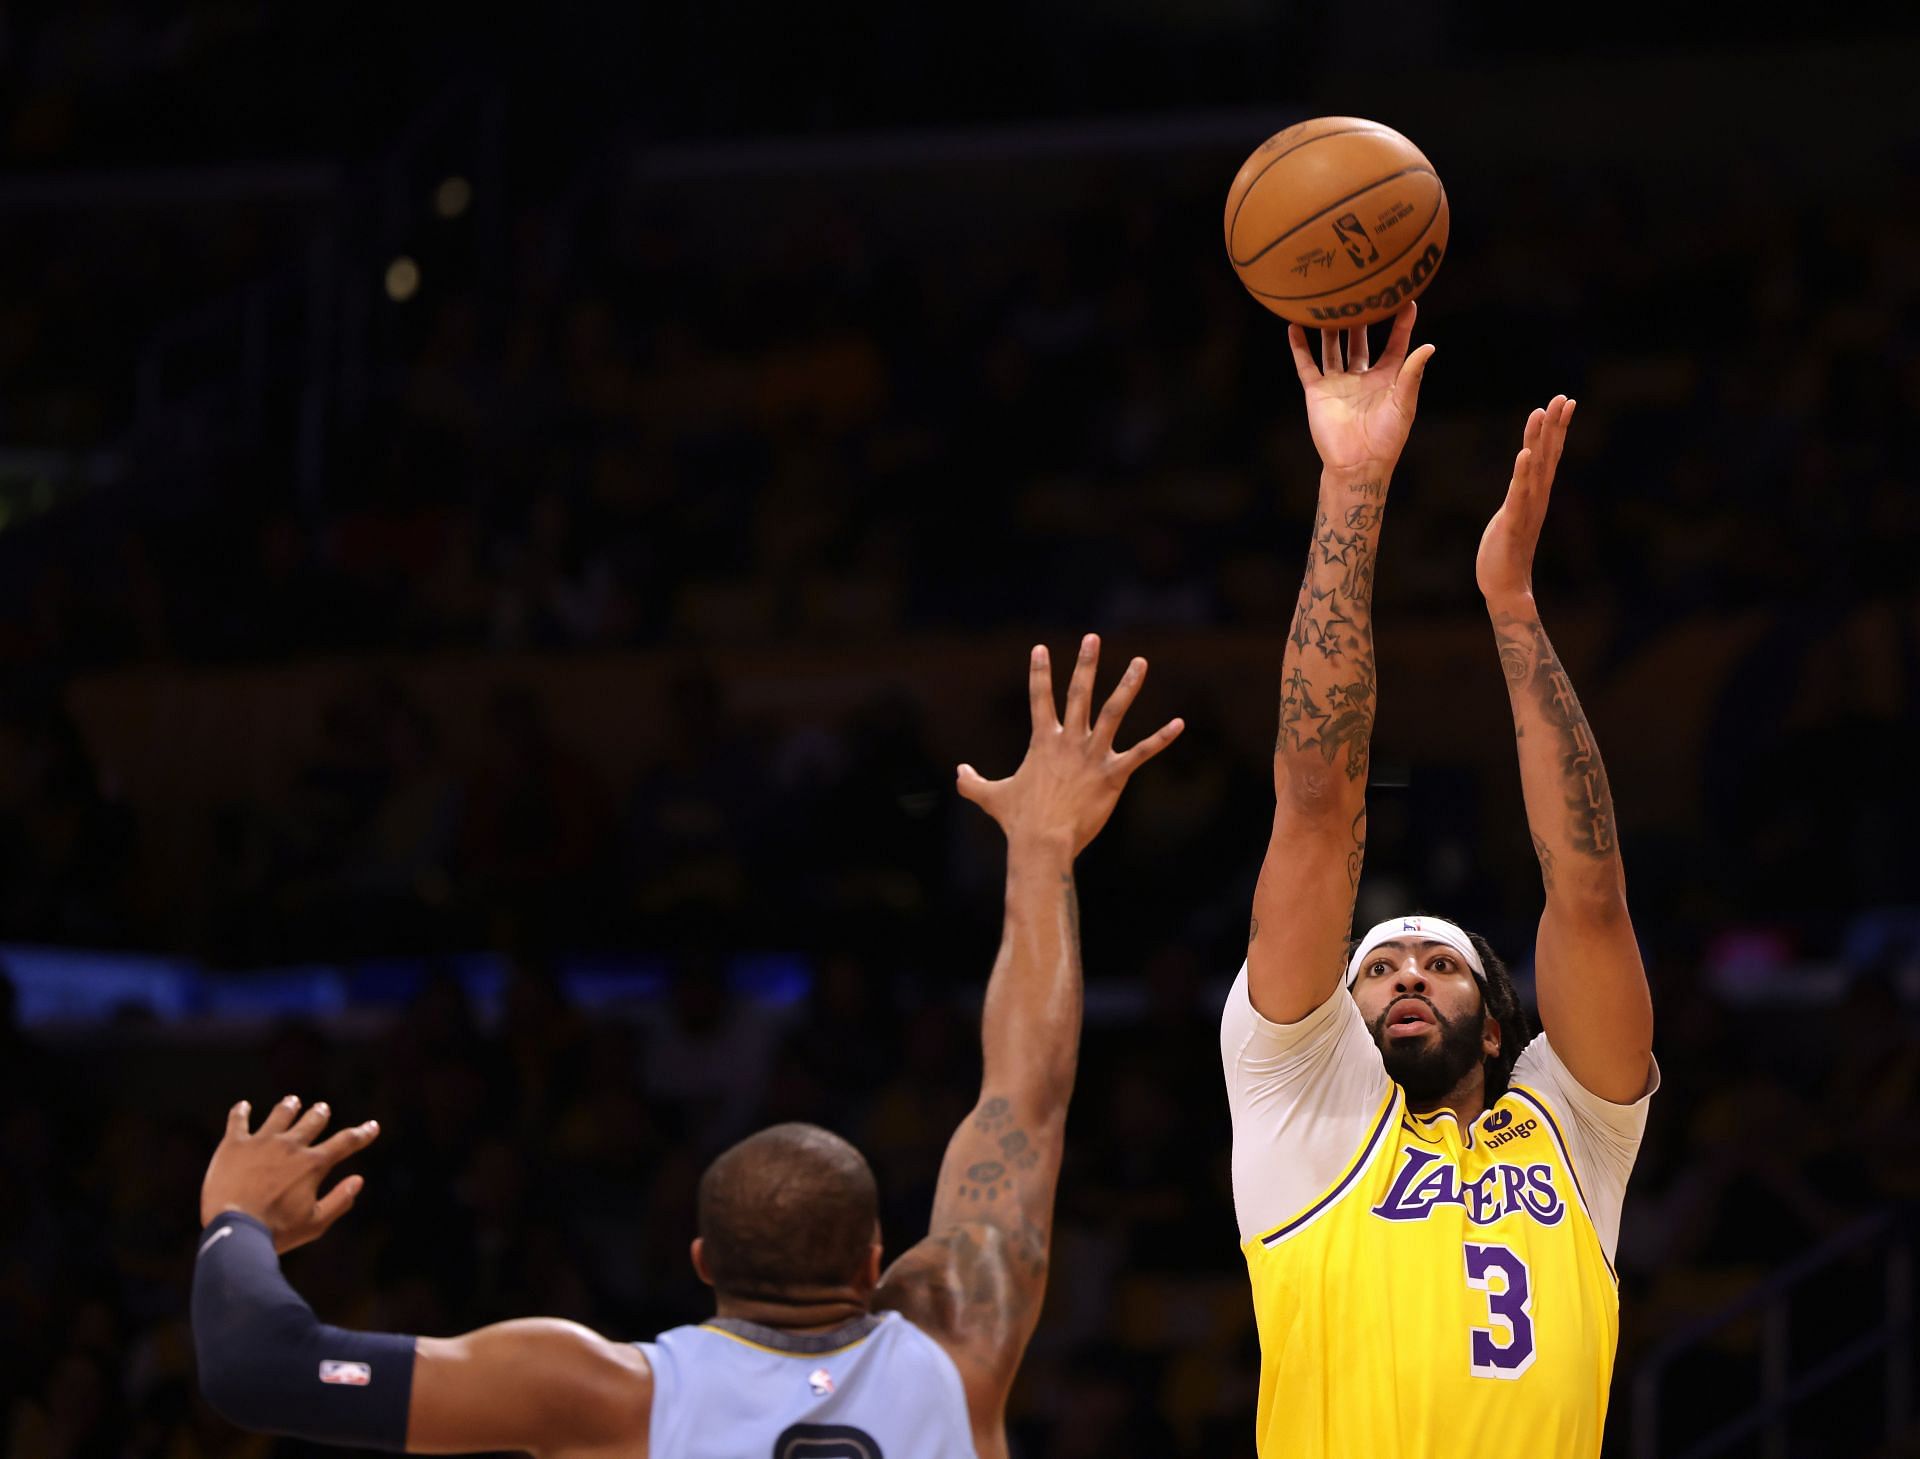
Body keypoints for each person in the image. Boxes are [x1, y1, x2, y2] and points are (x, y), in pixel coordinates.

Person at [191, 637, 1182, 1459]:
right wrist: (1045, 851)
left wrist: (236, 1218)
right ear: (877, 1260)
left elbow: (260, 1370)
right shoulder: (963, 1341)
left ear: (701, 1258)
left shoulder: (602, 1392)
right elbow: (1027, 1092)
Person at [1223, 301, 1658, 1457]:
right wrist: (1353, 488)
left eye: (1441, 960)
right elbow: (1319, 809)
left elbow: (1591, 896)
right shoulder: (1300, 1103)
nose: (1406, 970)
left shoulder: (1575, 1130)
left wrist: (1513, 610)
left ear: (1504, 1018)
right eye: (1376, 967)